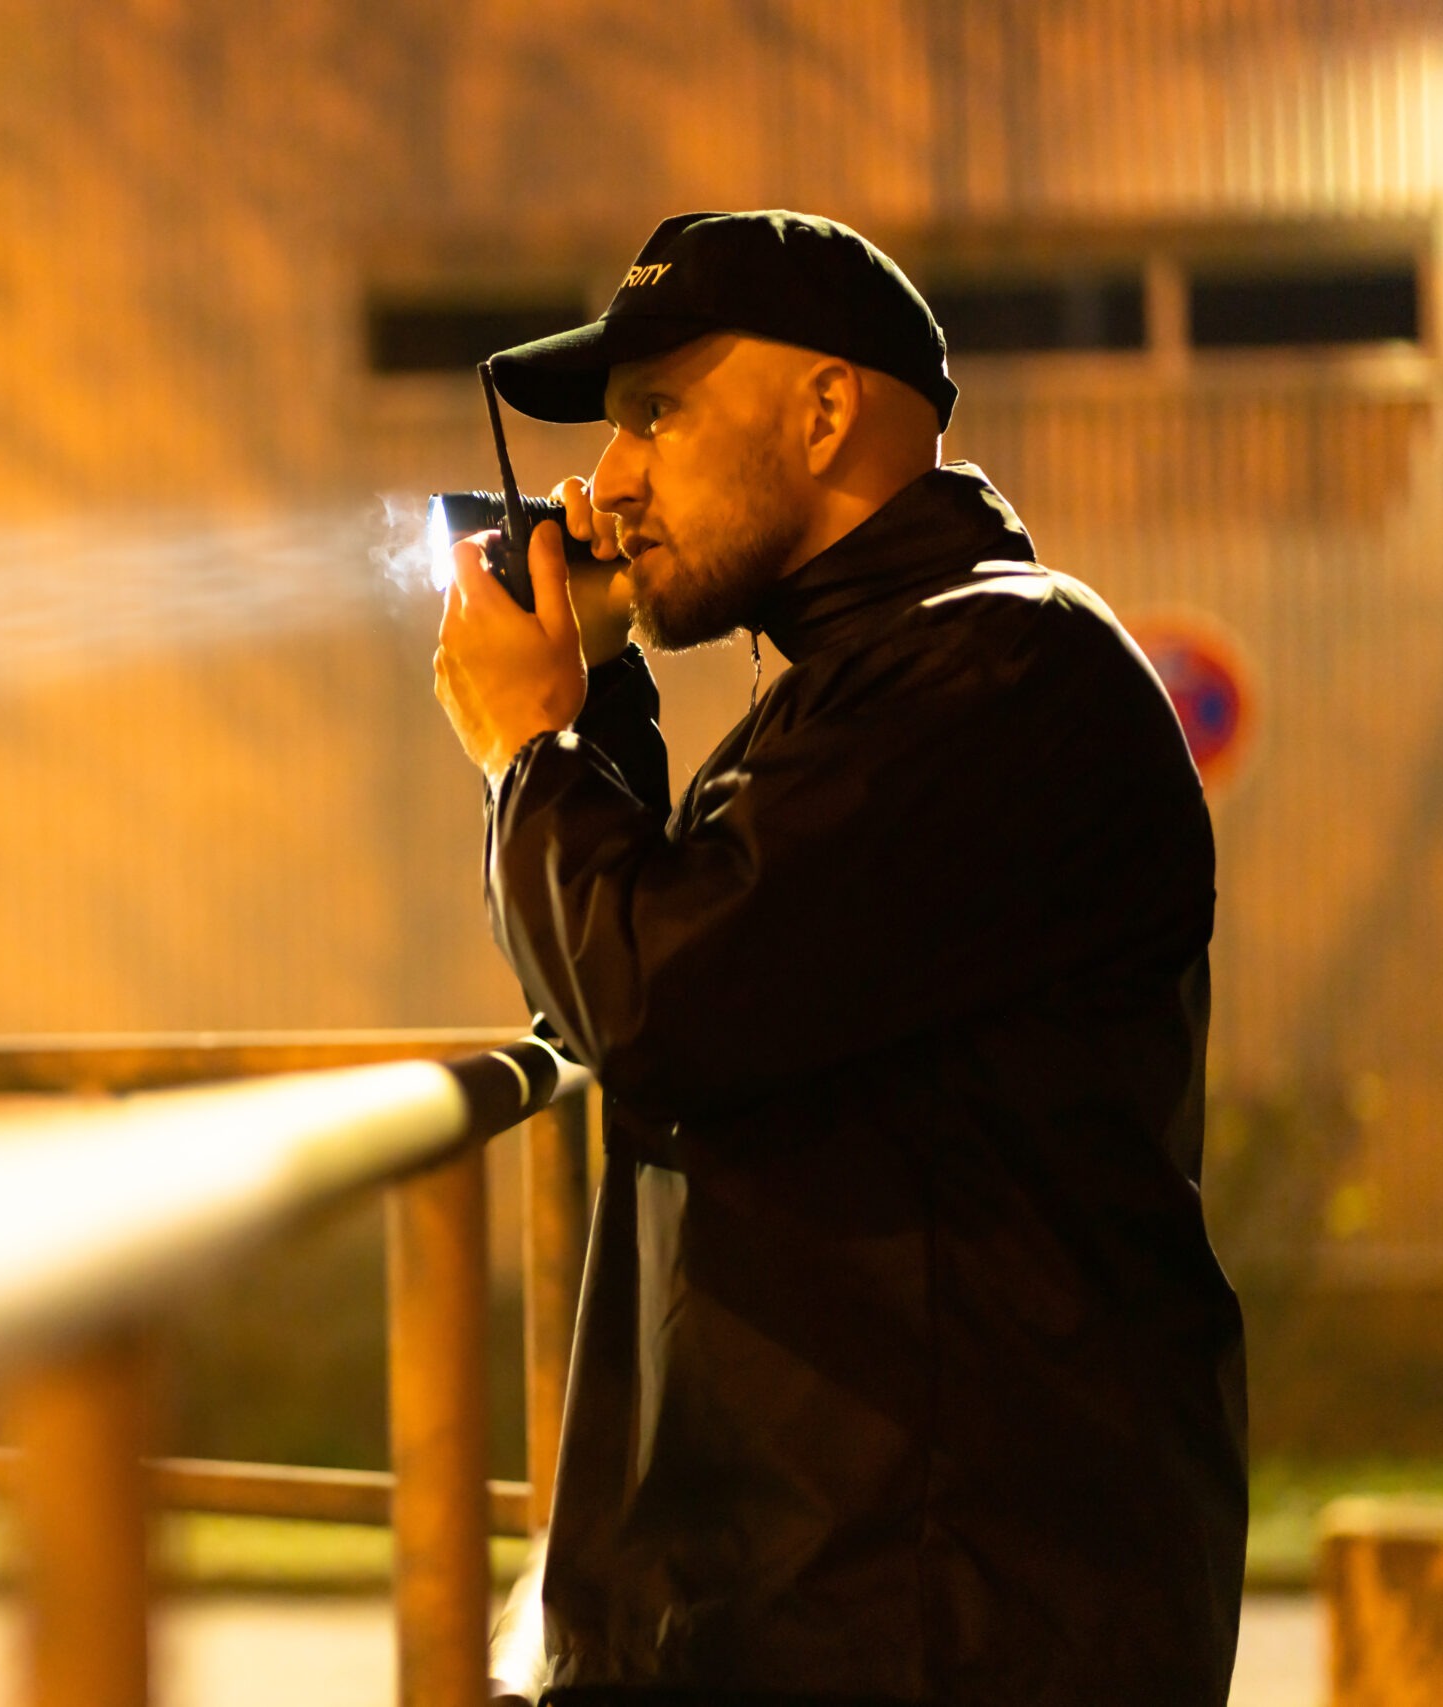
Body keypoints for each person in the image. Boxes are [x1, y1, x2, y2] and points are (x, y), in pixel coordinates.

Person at [431, 210, 1247, 1707]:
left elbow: (658, 1000)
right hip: (842, 1605)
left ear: (823, 413)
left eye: (655, 413)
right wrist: (594, 711)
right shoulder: (869, 688)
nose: (606, 482)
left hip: (940, 1628)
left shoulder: (997, 671)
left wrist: (534, 743)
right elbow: (669, 981)